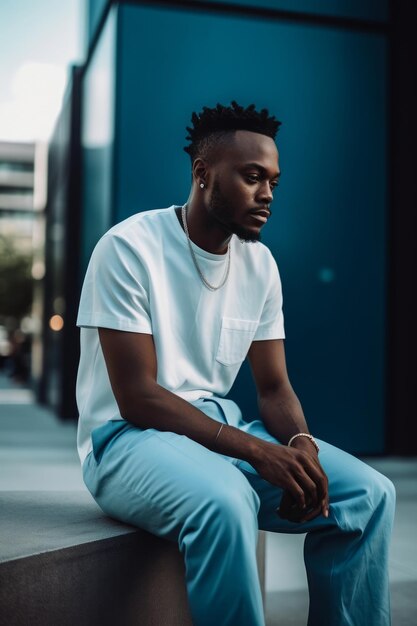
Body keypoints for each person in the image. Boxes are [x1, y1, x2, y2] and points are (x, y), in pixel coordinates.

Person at [76, 101, 395, 626]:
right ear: (203, 174)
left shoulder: (260, 265)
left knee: (368, 496)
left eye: (273, 180)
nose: (267, 194)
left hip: (218, 432)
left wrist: (301, 447)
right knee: (225, 502)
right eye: (251, 177)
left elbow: (274, 387)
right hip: (124, 441)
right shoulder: (129, 247)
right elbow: (137, 395)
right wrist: (256, 452)